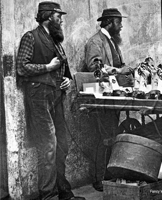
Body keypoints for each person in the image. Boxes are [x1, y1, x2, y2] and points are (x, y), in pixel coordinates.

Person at [16, 2, 85, 200]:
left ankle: (63, 191)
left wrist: (66, 79)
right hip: (39, 98)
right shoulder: (31, 37)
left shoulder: (55, 40)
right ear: (47, 16)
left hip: (56, 96)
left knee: (62, 143)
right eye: (58, 16)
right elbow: (22, 67)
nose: (61, 20)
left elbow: (63, 67)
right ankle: (47, 195)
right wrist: (47, 67)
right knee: (47, 146)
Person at [82, 8, 135, 192]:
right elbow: (95, 68)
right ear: (109, 22)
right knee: (104, 138)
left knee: (111, 136)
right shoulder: (95, 42)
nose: (121, 27)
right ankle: (99, 179)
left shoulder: (111, 42)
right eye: (119, 22)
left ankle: (109, 176)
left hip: (113, 97)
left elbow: (117, 65)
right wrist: (118, 71)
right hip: (101, 99)